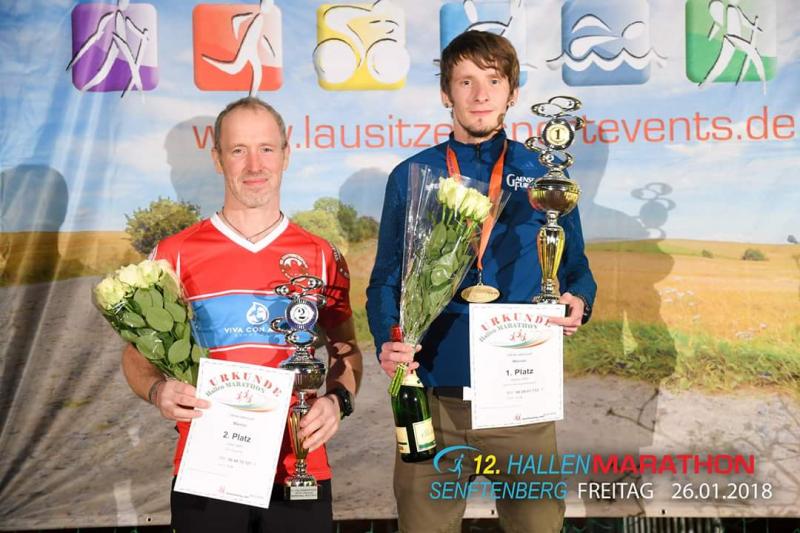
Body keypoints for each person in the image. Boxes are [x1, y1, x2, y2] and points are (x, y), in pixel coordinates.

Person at [366, 31, 596, 533]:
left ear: (513, 92)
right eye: (465, 81)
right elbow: (385, 280)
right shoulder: (413, 174)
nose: (480, 94)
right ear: (445, 93)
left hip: (521, 402)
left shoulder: (543, 173)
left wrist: (578, 298)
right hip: (433, 398)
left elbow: (577, 269)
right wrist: (388, 339)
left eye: (493, 80)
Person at [122, 96, 363, 532]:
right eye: (239, 150)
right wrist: (157, 391)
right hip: (208, 472)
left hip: (299, 470)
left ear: (286, 155)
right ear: (218, 159)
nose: (255, 165)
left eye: (266, 148)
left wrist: (337, 401)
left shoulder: (323, 256)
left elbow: (347, 351)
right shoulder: (173, 256)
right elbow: (135, 357)